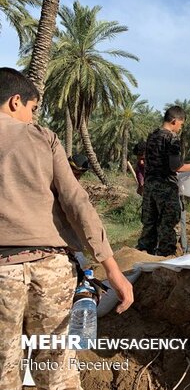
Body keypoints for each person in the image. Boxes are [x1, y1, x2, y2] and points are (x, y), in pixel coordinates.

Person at [0, 67, 133, 388]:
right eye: (32, 110)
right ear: (15, 102)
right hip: (51, 270)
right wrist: (112, 269)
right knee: (56, 368)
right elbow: (77, 202)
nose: (32, 118)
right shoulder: (43, 138)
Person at [136, 106, 190, 256]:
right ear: (175, 121)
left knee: (150, 222)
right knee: (168, 223)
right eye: (181, 124)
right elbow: (175, 166)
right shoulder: (171, 138)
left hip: (149, 186)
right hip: (165, 187)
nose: (180, 128)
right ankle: (165, 256)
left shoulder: (152, 135)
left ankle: (144, 254)